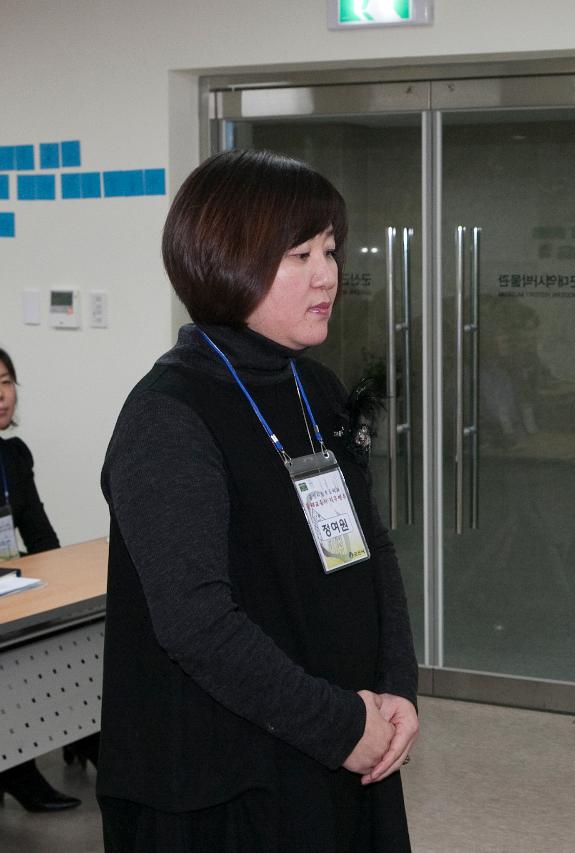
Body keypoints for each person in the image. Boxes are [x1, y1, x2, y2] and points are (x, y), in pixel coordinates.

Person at [98, 149, 419, 852]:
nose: (326, 275)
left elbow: (371, 548)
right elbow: (197, 623)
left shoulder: (316, 388)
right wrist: (340, 725)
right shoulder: (170, 414)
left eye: (329, 250)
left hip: (340, 740)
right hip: (226, 777)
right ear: (224, 260)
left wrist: (396, 690)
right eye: (297, 255)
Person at [0, 347, 82, 812]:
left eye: (7, 381)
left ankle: (85, 735)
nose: (1, 394)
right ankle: (15, 768)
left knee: (72, 627)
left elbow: (39, 532)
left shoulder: (13, 454)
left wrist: (61, 577)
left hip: (12, 583)